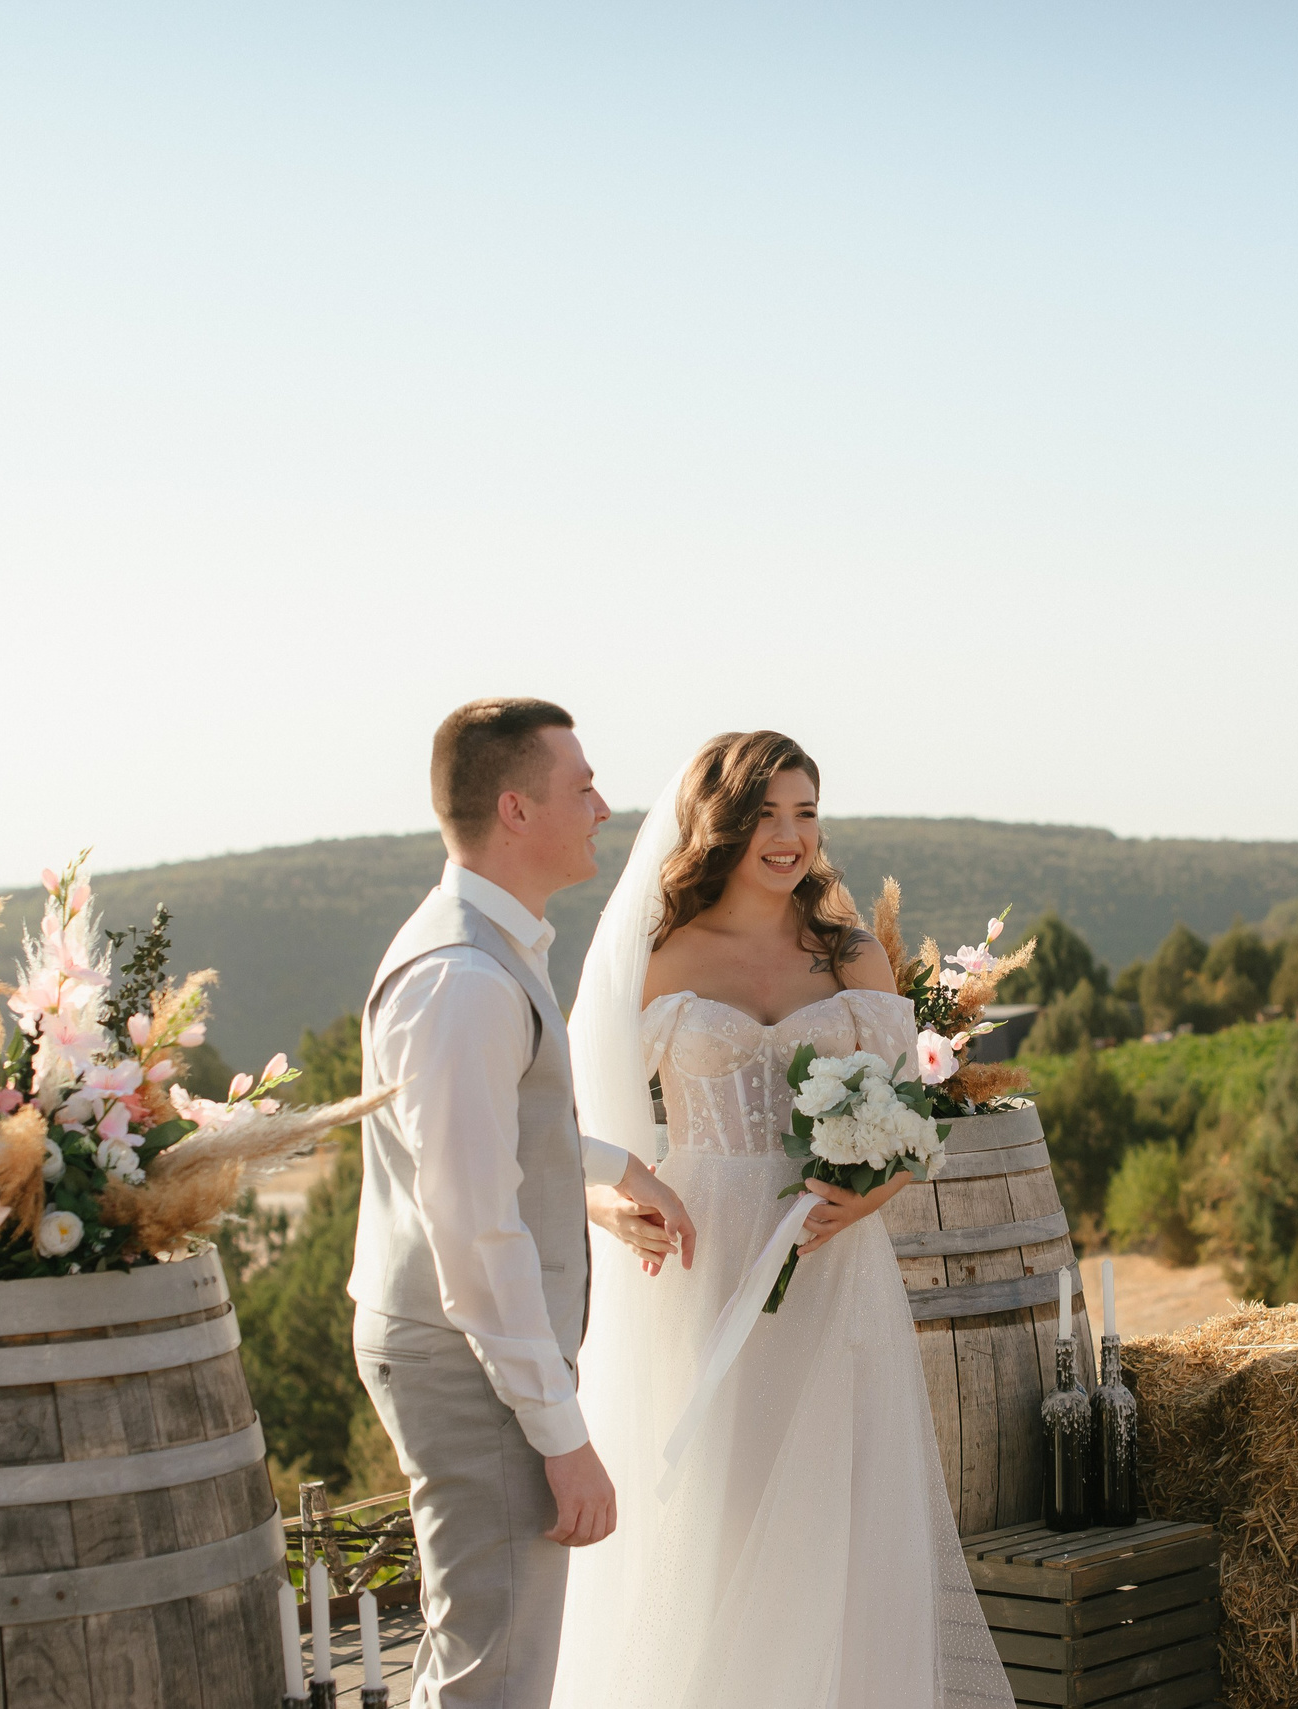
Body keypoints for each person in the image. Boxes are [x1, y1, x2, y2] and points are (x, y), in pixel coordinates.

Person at [551, 731, 1016, 1709]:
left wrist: (869, 1196)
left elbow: (911, 1115)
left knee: (831, 1511)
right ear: (719, 823)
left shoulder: (847, 951)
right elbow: (562, 1130)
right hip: (698, 1259)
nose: (789, 835)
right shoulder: (659, 950)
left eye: (805, 812)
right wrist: (608, 1202)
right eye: (766, 813)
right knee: (715, 1506)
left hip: (829, 1258)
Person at [350, 697, 700, 1709]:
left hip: (470, 1353)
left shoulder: (488, 950)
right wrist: (563, 1436)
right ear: (514, 807)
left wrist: (612, 1165)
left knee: (477, 1653)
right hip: (470, 1365)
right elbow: (472, 1229)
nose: (601, 805)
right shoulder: (461, 977)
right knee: (493, 1675)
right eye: (580, 785)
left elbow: (485, 1137)